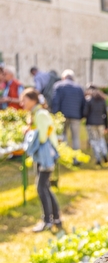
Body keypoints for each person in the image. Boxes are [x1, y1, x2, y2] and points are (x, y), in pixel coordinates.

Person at [21, 88, 62, 233]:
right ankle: (56, 218)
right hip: (42, 156)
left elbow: (43, 137)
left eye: (24, 100)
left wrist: (30, 133)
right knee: (45, 187)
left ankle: (47, 221)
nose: (22, 103)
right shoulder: (36, 114)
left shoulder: (40, 114)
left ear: (33, 100)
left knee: (41, 188)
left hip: (46, 157)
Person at [50, 69, 86, 164]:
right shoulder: (78, 87)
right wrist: (82, 115)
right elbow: (83, 103)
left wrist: (55, 114)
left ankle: (65, 158)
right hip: (76, 116)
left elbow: (55, 101)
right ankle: (76, 159)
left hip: (62, 116)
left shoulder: (58, 86)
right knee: (76, 137)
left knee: (63, 136)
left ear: (63, 77)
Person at [83, 85, 108, 166]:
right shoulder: (102, 100)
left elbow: (85, 113)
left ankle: (98, 157)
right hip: (101, 123)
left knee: (94, 140)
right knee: (101, 139)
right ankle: (104, 153)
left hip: (91, 123)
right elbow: (105, 114)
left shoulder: (89, 100)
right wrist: (107, 126)